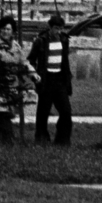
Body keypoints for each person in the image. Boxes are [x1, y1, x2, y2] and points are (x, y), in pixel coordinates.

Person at [28, 13, 73, 145]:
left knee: (66, 111)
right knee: (43, 112)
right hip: (46, 79)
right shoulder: (41, 41)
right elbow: (31, 59)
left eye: (60, 29)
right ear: (50, 27)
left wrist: (67, 78)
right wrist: (35, 75)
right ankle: (41, 139)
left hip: (60, 80)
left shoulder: (64, 40)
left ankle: (63, 140)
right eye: (55, 28)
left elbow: (65, 60)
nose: (58, 31)